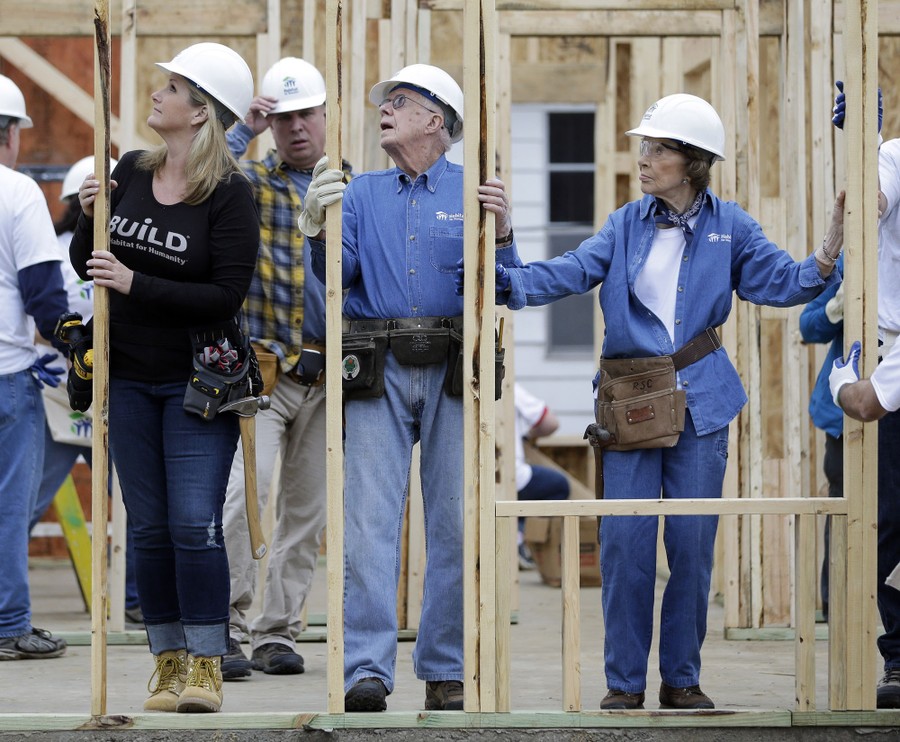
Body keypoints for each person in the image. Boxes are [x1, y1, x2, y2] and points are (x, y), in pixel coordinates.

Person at [478, 93, 841, 710]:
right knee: (625, 547)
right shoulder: (624, 224)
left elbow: (787, 282)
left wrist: (831, 248)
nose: (643, 158)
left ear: (693, 161)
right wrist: (506, 237)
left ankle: (682, 680)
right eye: (644, 146)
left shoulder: (734, 227)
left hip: (702, 402)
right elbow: (554, 277)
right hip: (630, 403)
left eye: (658, 147)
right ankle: (624, 685)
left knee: (694, 547)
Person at [302, 63, 517, 712]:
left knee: (453, 525)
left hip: (456, 365)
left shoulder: (475, 192)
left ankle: (445, 668)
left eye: (399, 102)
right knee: (367, 524)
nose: (384, 111)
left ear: (436, 120)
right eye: (385, 103)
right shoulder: (360, 192)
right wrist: (318, 232)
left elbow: (509, 284)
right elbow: (337, 283)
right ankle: (365, 668)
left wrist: (503, 235)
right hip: (378, 365)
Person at [69, 42, 259, 713]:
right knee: (146, 527)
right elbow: (88, 264)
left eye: (172, 88)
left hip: (196, 385)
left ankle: (208, 663)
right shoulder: (128, 168)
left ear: (201, 113)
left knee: (192, 523)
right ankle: (168, 661)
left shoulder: (232, 194)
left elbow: (225, 297)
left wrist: (135, 281)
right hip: (126, 378)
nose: (157, 95)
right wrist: (87, 218)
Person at [219, 57, 351, 679]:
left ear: (327, 116)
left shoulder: (354, 191)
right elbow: (192, 178)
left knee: (306, 514)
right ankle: (227, 626)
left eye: (306, 115)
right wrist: (243, 129)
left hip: (331, 378)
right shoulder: (247, 181)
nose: (296, 128)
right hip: (264, 377)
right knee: (246, 497)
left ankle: (278, 631)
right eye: (284, 117)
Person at [26, 155, 143, 629]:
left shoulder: (131, 249)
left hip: (109, 393)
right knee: (25, 501)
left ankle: (135, 599)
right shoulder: (54, 249)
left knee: (136, 502)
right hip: (58, 390)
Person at [830, 80, 900, 709]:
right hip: (893, 346)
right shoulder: (897, 159)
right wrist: (864, 146)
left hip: (888, 363)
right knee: (891, 521)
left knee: (890, 522)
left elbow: (864, 402)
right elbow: (868, 203)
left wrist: (840, 382)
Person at [0, 73, 70, 661]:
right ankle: (8, 625)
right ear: (11, 135)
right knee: (7, 507)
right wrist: (77, 348)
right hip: (8, 376)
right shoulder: (19, 194)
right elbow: (45, 295)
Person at [799, 235, 845, 622]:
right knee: (843, 507)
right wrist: (836, 307)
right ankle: (837, 606)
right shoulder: (849, 263)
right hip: (846, 417)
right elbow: (809, 327)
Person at [513, 383, 570, 569]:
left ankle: (516, 534)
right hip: (512, 476)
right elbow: (550, 423)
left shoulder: (461, 382)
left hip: (471, 481)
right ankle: (520, 537)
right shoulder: (508, 386)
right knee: (560, 486)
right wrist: (528, 436)